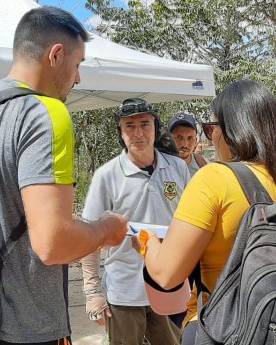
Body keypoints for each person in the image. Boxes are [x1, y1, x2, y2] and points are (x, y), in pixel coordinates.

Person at [0, 7, 128, 345]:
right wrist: (105, 230)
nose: (78, 78)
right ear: (56, 54)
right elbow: (53, 243)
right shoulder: (46, 113)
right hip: (22, 324)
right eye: (78, 65)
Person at [137, 80, 276, 345]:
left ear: (231, 131)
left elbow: (167, 274)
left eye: (212, 127)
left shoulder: (214, 178)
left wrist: (147, 242)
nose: (210, 136)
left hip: (225, 327)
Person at [80, 97, 188, 345]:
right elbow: (89, 238)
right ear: (120, 131)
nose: (138, 132)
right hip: (124, 291)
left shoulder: (177, 168)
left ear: (156, 127)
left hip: (169, 288)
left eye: (145, 124)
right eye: (129, 126)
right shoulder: (106, 176)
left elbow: (190, 225)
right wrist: (93, 292)